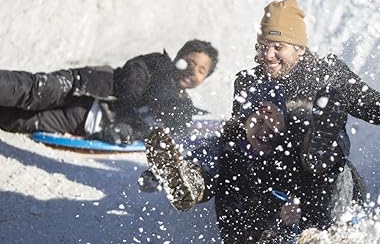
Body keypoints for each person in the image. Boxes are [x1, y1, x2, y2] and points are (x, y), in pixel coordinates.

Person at [144, 81, 366, 244]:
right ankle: (192, 183)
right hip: (259, 238)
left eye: (272, 118)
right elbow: (202, 157)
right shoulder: (230, 149)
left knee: (325, 166)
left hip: (323, 214)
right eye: (257, 119)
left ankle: (328, 236)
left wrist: (301, 211)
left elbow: (344, 174)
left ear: (284, 120)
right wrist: (160, 174)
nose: (264, 126)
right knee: (218, 161)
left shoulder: (298, 136)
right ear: (244, 122)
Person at [232, 0, 380, 176]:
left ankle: (318, 148)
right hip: (269, 180)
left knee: (317, 119)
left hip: (323, 177)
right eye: (263, 46)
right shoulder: (248, 83)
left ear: (300, 49)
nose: (268, 55)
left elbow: (374, 108)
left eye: (278, 47)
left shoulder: (327, 75)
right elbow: (236, 138)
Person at [0, 39, 219, 144]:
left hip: (83, 120)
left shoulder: (179, 108)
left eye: (201, 70)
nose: (192, 71)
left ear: (204, 79)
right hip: (83, 86)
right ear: (177, 58)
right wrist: (128, 112)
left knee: (20, 121)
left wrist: (128, 131)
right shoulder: (157, 64)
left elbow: (159, 136)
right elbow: (134, 73)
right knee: (31, 90)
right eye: (189, 62)